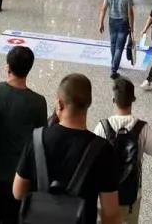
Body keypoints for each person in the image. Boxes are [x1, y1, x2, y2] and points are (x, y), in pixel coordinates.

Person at [13, 73, 121, 224]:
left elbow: (18, 192)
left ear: (59, 104)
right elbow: (110, 213)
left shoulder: (37, 138)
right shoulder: (103, 150)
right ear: (88, 104)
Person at [0, 46, 47, 224]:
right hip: (21, 175)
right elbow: (39, 139)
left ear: (8, 67)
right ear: (29, 69)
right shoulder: (38, 102)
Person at [94, 78, 152, 224]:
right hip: (131, 197)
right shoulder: (142, 128)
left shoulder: (102, 127)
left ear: (113, 100)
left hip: (105, 198)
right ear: (133, 99)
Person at [98, 0, 134, 80]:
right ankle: (114, 69)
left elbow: (103, 9)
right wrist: (132, 27)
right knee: (119, 47)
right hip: (123, 22)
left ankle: (114, 62)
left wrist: (101, 22)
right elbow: (130, 13)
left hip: (112, 21)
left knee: (113, 44)